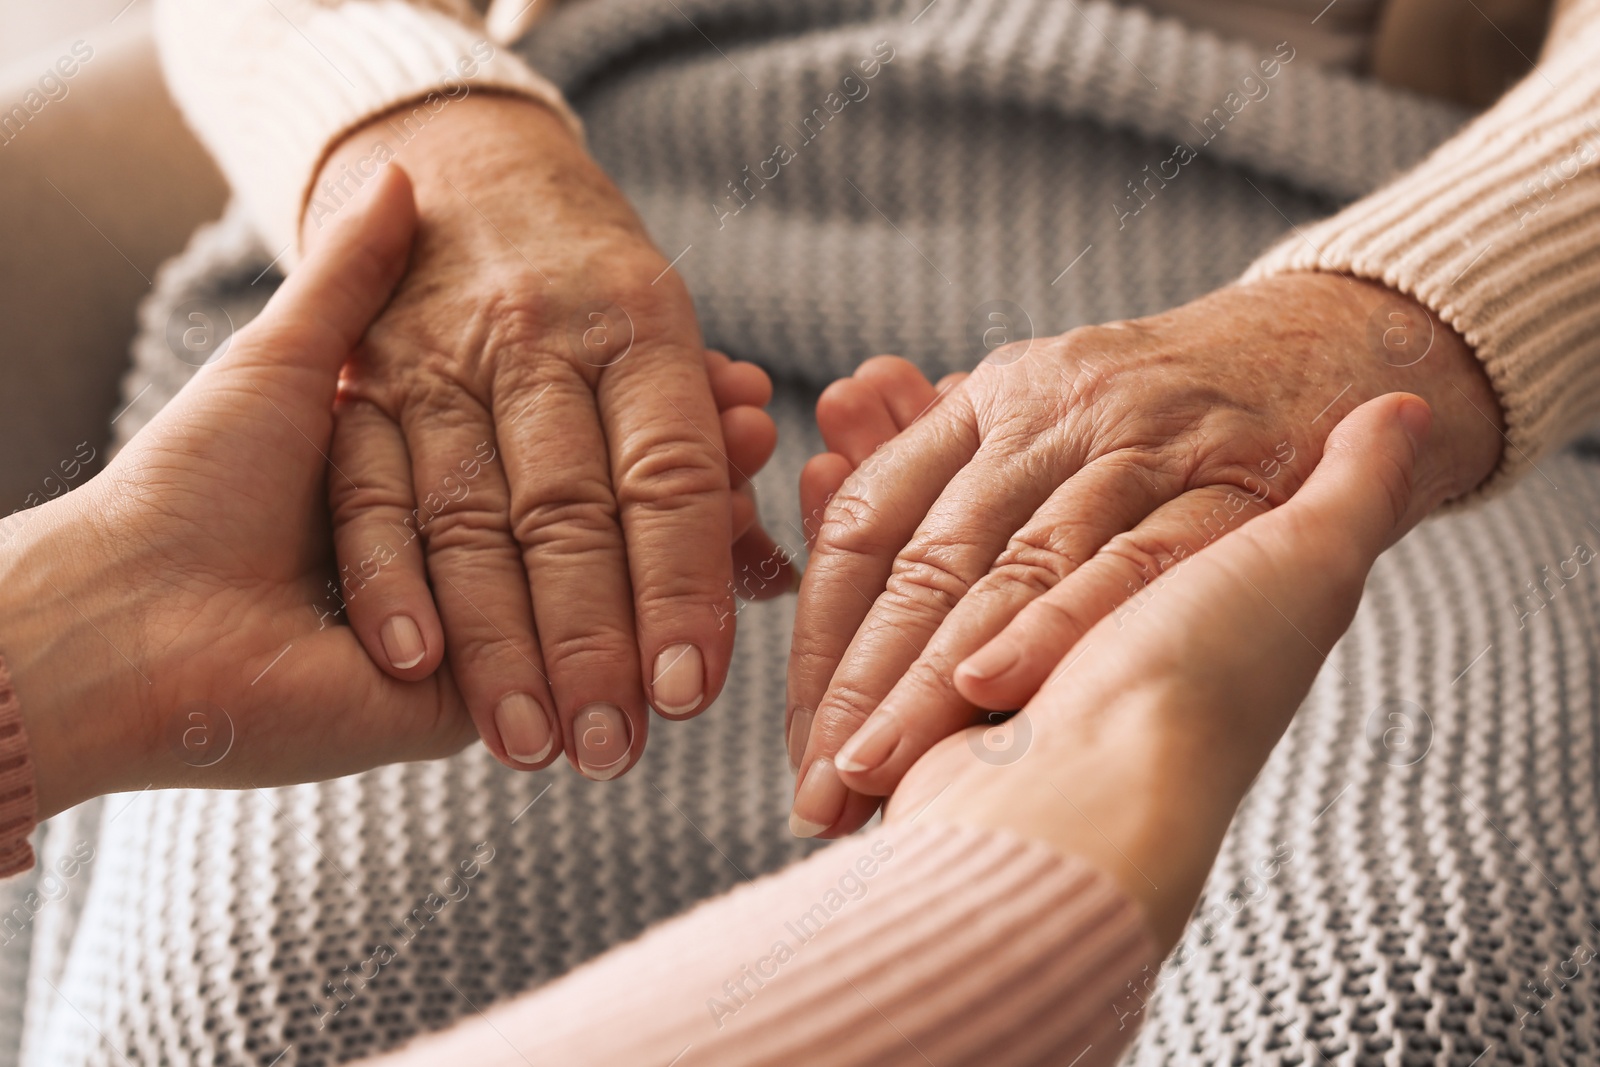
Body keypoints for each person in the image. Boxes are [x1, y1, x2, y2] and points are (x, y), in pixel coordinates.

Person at [0, 161, 1437, 1065]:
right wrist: (461, 149)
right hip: (595, 190)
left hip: (1339, 236)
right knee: (234, 1021)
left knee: (1390, 1016)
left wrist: (1377, 315)